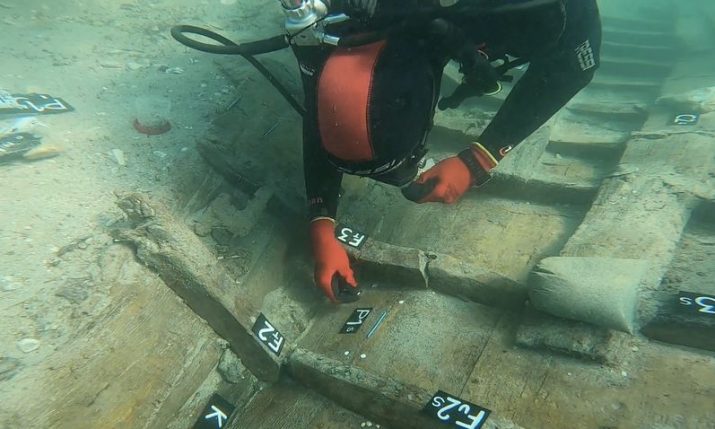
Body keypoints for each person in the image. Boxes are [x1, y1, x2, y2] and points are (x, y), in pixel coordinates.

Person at [289, 0, 601, 302]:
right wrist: (321, 222)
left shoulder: (542, 10)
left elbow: (574, 66)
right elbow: (320, 107)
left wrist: (479, 159)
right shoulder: (333, 17)